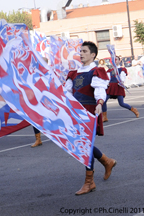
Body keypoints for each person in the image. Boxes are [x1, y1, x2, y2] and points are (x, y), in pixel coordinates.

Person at [65, 41, 116, 195]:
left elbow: (100, 91)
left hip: (89, 112)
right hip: (75, 113)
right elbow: (66, 94)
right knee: (83, 144)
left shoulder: (97, 71)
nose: (81, 53)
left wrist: (100, 103)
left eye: (85, 51)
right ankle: (107, 161)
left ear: (93, 54)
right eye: (80, 51)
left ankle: (89, 183)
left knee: (85, 147)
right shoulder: (73, 73)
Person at [102, 56, 139, 122]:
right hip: (110, 87)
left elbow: (122, 79)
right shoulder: (110, 70)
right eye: (114, 60)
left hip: (118, 87)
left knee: (121, 103)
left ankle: (133, 109)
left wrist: (120, 80)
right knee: (104, 101)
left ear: (119, 61)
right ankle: (104, 117)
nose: (115, 61)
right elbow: (107, 79)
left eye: (116, 59)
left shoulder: (122, 69)